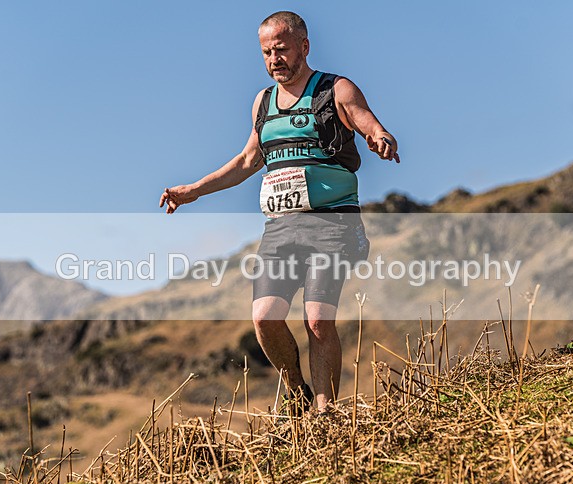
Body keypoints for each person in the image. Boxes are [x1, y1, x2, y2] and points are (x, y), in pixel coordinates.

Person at [159, 11, 399, 413]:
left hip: (331, 222)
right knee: (265, 318)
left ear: (304, 47)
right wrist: (194, 191)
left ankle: (325, 417)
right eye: (267, 52)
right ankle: (298, 393)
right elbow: (247, 161)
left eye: (282, 49)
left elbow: (367, 122)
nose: (274, 59)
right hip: (281, 229)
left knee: (319, 321)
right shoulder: (263, 102)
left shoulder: (335, 89)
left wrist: (380, 137)